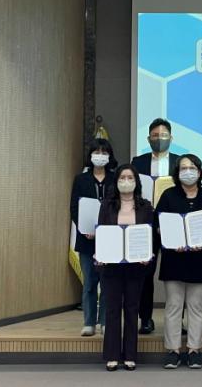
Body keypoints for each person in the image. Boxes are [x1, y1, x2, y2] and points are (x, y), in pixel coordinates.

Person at [156, 154, 202, 370]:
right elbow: (159, 224)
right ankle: (173, 351)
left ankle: (194, 350)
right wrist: (171, 239)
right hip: (174, 258)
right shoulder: (168, 195)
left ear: (200, 171)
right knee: (173, 306)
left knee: (196, 306)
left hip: (200, 259)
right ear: (177, 173)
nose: (188, 172)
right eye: (183, 168)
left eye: (192, 167)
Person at [97, 164, 155, 371]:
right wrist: (101, 254)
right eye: (122, 178)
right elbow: (102, 232)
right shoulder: (107, 206)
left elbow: (150, 236)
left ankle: (130, 355)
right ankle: (112, 355)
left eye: (130, 178)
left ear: (136, 182)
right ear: (116, 182)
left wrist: (148, 255)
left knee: (132, 309)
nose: (126, 181)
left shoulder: (146, 206)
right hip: (111, 265)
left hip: (136, 266)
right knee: (112, 309)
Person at [131, 117, 180, 335]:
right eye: (155, 135)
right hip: (146, 223)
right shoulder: (138, 162)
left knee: (177, 274)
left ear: (171, 138)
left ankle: (179, 321)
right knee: (145, 273)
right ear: (148, 138)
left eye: (164, 135)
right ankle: (146, 318)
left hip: (172, 222)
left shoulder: (179, 162)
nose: (159, 139)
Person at [70, 138, 117, 337]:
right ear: (90, 156)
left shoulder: (115, 179)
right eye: (96, 152)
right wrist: (84, 229)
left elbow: (118, 207)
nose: (100, 156)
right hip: (86, 239)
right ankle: (89, 322)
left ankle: (104, 321)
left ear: (109, 156)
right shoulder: (80, 179)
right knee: (89, 282)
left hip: (109, 239)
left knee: (107, 282)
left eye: (104, 152)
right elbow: (74, 207)